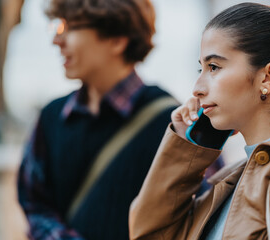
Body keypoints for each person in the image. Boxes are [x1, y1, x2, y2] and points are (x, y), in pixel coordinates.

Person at [129, 2, 270, 240]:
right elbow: (149, 234)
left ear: (268, 77)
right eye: (201, 70)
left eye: (214, 67)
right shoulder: (231, 182)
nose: (197, 89)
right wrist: (187, 146)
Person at [17, 0, 180, 239]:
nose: (56, 40)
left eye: (68, 28)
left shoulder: (173, 122)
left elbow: (203, 206)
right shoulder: (52, 116)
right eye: (56, 26)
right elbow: (34, 204)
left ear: (117, 39)